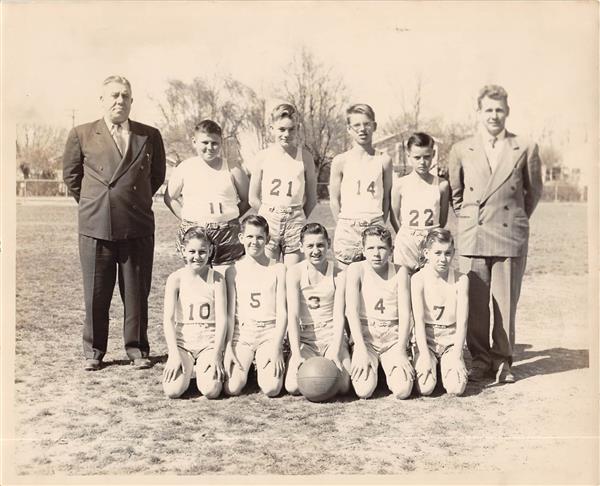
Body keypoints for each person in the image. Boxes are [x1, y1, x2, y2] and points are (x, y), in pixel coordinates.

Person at [63, 75, 166, 371]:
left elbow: (155, 177)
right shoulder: (81, 134)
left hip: (137, 226)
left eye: (125, 96)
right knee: (96, 293)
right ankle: (94, 351)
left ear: (132, 101)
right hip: (96, 227)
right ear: (102, 100)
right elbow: (72, 178)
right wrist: (98, 204)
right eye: (113, 96)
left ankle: (137, 348)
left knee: (136, 294)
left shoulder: (150, 135)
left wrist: (127, 200)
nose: (119, 101)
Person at [448, 85, 543, 383]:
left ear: (507, 112)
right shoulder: (461, 148)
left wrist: (515, 219)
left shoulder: (525, 147)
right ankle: (479, 358)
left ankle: (503, 360)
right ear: (478, 113)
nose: (494, 115)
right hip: (472, 236)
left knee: (504, 303)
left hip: (508, 236)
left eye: (499, 109)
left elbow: (533, 192)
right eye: (488, 109)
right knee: (476, 302)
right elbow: (456, 193)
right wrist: (471, 220)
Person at [164, 119, 249, 270]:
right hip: (195, 231)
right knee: (197, 281)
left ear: (221, 143)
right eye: (205, 143)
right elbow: (170, 198)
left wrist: (228, 218)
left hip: (227, 233)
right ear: (194, 141)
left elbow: (247, 199)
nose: (210, 147)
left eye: (214, 143)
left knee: (227, 279)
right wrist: (187, 218)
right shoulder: (185, 168)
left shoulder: (233, 167)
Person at [345, 225, 413, 399]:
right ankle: (376, 369)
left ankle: (386, 370)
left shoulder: (400, 271)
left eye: (382, 248)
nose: (376, 253)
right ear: (363, 250)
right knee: (363, 391)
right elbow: (351, 312)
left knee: (403, 391)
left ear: (391, 250)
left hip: (392, 339)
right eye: (371, 248)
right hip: (367, 339)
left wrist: (401, 349)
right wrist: (359, 347)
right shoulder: (356, 269)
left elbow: (406, 314)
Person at [223, 215, 287, 397]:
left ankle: (264, 362)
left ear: (267, 239)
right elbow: (229, 315)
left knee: (271, 389)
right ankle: (248, 367)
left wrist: (277, 347)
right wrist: (228, 348)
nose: (255, 242)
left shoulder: (278, 269)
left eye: (260, 237)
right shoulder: (232, 271)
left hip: (268, 334)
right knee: (232, 387)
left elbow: (283, 312)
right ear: (241, 238)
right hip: (243, 334)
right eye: (250, 237)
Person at [285, 223, 351, 396]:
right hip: (306, 339)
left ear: (328, 244)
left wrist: (336, 351)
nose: (316, 251)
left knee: (343, 386)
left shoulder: (339, 275)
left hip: (330, 336)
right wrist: (296, 353)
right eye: (310, 246)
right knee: (293, 387)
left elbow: (339, 317)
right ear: (301, 247)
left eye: (320, 245)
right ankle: (293, 360)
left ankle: (344, 354)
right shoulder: (294, 273)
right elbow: (292, 315)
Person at [248, 103, 318, 266]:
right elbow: (252, 198)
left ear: (297, 129)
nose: (286, 134)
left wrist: (297, 217)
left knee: (293, 274)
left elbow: (312, 198)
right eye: (281, 129)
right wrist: (267, 215)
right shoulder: (262, 157)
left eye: (291, 129)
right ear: (272, 128)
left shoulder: (305, 157)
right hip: (268, 218)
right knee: (268, 273)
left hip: (295, 219)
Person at [162, 228, 226, 399]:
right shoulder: (175, 279)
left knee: (211, 391)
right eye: (192, 251)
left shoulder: (217, 279)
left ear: (210, 251)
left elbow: (222, 319)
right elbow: (168, 320)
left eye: (202, 252)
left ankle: (199, 371)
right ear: (183, 251)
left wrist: (217, 354)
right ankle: (188, 368)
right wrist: (174, 354)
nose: (197, 257)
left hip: (208, 345)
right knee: (172, 391)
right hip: (184, 345)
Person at [329, 104, 393, 268]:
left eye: (367, 124)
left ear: (374, 126)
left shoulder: (383, 160)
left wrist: (378, 223)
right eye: (356, 125)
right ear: (349, 129)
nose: (362, 129)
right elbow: (334, 200)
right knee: (346, 281)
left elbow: (386, 197)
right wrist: (343, 223)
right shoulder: (340, 161)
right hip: (348, 227)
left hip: (374, 223)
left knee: (374, 280)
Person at [411, 229, 469, 396]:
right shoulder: (418, 279)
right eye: (437, 253)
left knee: (456, 389)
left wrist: (458, 355)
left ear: (453, 253)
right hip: (426, 340)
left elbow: (462, 321)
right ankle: (431, 366)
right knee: (425, 388)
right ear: (427, 253)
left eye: (448, 253)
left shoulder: (461, 280)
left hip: (450, 340)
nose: (443, 259)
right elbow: (419, 321)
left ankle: (447, 366)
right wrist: (424, 354)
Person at [391, 132, 449, 272]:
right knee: (404, 284)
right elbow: (394, 215)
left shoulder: (442, 185)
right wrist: (406, 235)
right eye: (417, 157)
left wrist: (431, 236)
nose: (422, 162)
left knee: (431, 284)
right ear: (408, 156)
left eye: (426, 157)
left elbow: (442, 219)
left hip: (431, 240)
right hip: (406, 242)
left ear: (433, 154)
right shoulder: (400, 184)